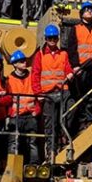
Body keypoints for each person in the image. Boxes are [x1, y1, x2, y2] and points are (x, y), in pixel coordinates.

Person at [32, 24, 74, 161]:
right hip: (47, 94)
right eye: (50, 38)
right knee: (50, 124)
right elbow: (35, 75)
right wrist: (39, 95)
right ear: (45, 38)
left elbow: (67, 68)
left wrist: (70, 74)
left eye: (54, 38)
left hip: (62, 91)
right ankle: (51, 150)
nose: (52, 40)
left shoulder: (63, 54)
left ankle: (64, 136)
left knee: (71, 110)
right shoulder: (39, 55)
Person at [65, 1, 92, 128]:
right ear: (81, 14)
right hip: (82, 67)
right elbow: (71, 49)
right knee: (82, 95)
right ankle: (83, 120)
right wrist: (75, 66)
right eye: (86, 10)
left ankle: (89, 118)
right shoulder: (76, 29)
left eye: (91, 10)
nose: (89, 11)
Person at [6, 49, 41, 164]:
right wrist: (10, 114)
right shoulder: (8, 80)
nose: (24, 63)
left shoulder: (32, 77)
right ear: (14, 64)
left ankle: (34, 165)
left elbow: (37, 94)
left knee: (32, 142)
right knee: (14, 143)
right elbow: (6, 99)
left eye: (24, 60)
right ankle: (12, 166)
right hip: (16, 116)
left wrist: (37, 110)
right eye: (21, 61)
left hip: (31, 115)